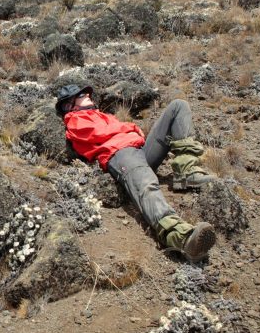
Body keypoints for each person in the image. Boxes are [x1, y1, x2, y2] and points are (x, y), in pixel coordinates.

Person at [56, 82, 218, 262]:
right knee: (146, 185)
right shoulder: (74, 120)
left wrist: (131, 130)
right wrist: (131, 127)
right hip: (121, 154)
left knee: (178, 106)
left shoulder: (99, 114)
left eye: (86, 94)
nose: (87, 96)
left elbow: (116, 129)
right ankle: (182, 239)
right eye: (81, 95)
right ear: (69, 105)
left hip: (139, 149)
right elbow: (103, 133)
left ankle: (186, 172)